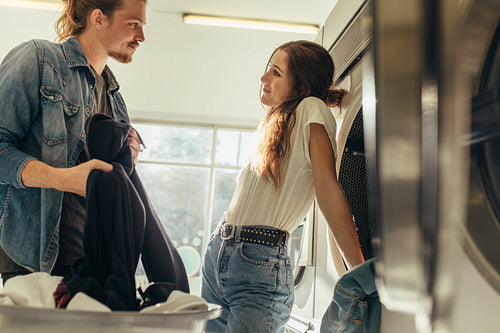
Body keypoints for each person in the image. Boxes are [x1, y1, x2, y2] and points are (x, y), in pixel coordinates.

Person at [200, 40, 366, 332]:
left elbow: (327, 189)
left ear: (301, 83)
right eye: (268, 70)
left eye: (275, 73)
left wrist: (358, 269)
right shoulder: (277, 120)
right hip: (221, 251)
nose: (264, 79)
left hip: (257, 260)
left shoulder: (311, 108)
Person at [0, 0, 146, 283]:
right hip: (35, 262)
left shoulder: (115, 99)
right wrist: (62, 179)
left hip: (93, 263)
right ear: (98, 18)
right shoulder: (38, 59)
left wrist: (129, 159)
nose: (141, 37)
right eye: (133, 24)